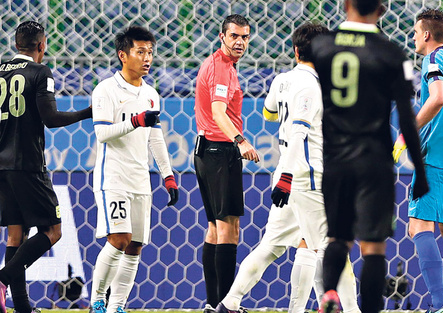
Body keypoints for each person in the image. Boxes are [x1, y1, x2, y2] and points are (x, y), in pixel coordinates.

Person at [215, 22, 360, 313]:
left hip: (287, 173)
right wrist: (288, 178)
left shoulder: (282, 79)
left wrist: (284, 176)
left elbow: (269, 113)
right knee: (333, 247)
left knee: (275, 245)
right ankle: (352, 310)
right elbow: (298, 133)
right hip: (306, 177)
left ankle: (229, 303)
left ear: (295, 50)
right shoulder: (310, 86)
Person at [309, 1, 430, 313]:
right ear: (382, 9)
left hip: (335, 159)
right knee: (373, 247)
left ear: (345, 4)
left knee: (338, 237)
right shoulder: (391, 54)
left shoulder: (320, 47)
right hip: (374, 162)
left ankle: (330, 295)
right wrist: (419, 169)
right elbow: (406, 118)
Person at [0, 21, 92, 313]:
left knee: (17, 235)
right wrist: (87, 112)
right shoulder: (40, 72)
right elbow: (50, 118)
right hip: (27, 164)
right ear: (41, 46)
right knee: (53, 230)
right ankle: (1, 280)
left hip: (1, 166)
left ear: (16, 45)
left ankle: (22, 308)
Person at [88, 25, 178, 313]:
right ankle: (97, 301)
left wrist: (168, 175)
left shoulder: (151, 94)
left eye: (150, 52)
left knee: (135, 245)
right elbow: (102, 134)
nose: (147, 58)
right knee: (119, 239)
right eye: (140, 52)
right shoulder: (106, 90)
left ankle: (117, 306)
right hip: (113, 176)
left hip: (141, 179)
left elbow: (155, 136)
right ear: (123, 55)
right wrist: (135, 121)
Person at [393, 9, 443, 313]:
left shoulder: (433, 59)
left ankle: (439, 306)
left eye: (414, 32)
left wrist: (408, 131)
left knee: (418, 226)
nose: (412, 37)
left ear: (426, 34)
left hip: (436, 159)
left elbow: (437, 97)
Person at [193, 14, 260, 313]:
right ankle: (225, 305)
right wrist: (240, 141)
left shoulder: (220, 66)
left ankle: (212, 304)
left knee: (213, 228)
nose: (240, 42)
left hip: (206, 151)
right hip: (220, 151)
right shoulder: (221, 69)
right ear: (222, 37)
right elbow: (219, 112)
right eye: (234, 36)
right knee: (228, 228)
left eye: (245, 37)